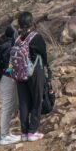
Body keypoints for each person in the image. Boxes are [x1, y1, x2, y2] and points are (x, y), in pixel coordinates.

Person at [13, 11, 49, 141]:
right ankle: (32, 131)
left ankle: (24, 133)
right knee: (37, 99)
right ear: (30, 22)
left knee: (23, 102)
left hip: (19, 73)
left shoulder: (16, 37)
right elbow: (43, 55)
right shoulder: (36, 37)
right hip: (34, 71)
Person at [0, 24, 21, 145]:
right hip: (7, 78)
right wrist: (12, 74)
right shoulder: (9, 46)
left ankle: (5, 133)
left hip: (2, 78)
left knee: (8, 106)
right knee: (7, 106)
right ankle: (4, 135)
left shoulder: (3, 44)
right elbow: (10, 64)